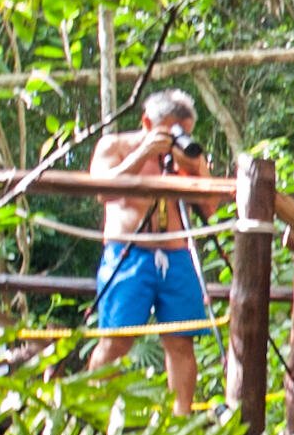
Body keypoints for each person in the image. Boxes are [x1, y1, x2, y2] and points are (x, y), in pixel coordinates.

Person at [90, 86, 215, 404]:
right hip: (128, 254)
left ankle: (180, 423)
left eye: (182, 132)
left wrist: (195, 165)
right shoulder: (114, 146)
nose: (176, 138)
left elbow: (210, 208)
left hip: (176, 255)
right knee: (117, 341)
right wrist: (143, 154)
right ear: (146, 122)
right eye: (170, 131)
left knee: (181, 343)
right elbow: (102, 192)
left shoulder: (186, 155)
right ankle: (97, 415)